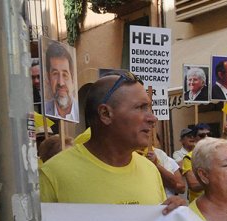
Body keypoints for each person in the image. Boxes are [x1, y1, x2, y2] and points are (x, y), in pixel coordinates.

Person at [40, 70, 184, 212]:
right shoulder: (53, 175)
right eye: (141, 107)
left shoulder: (151, 171)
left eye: (149, 108)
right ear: (105, 114)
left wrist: (174, 217)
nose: (152, 119)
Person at [43, 40, 78, 122]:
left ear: (72, 78)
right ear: (48, 77)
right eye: (55, 74)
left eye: (65, 75)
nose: (61, 83)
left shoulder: (82, 113)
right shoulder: (43, 113)